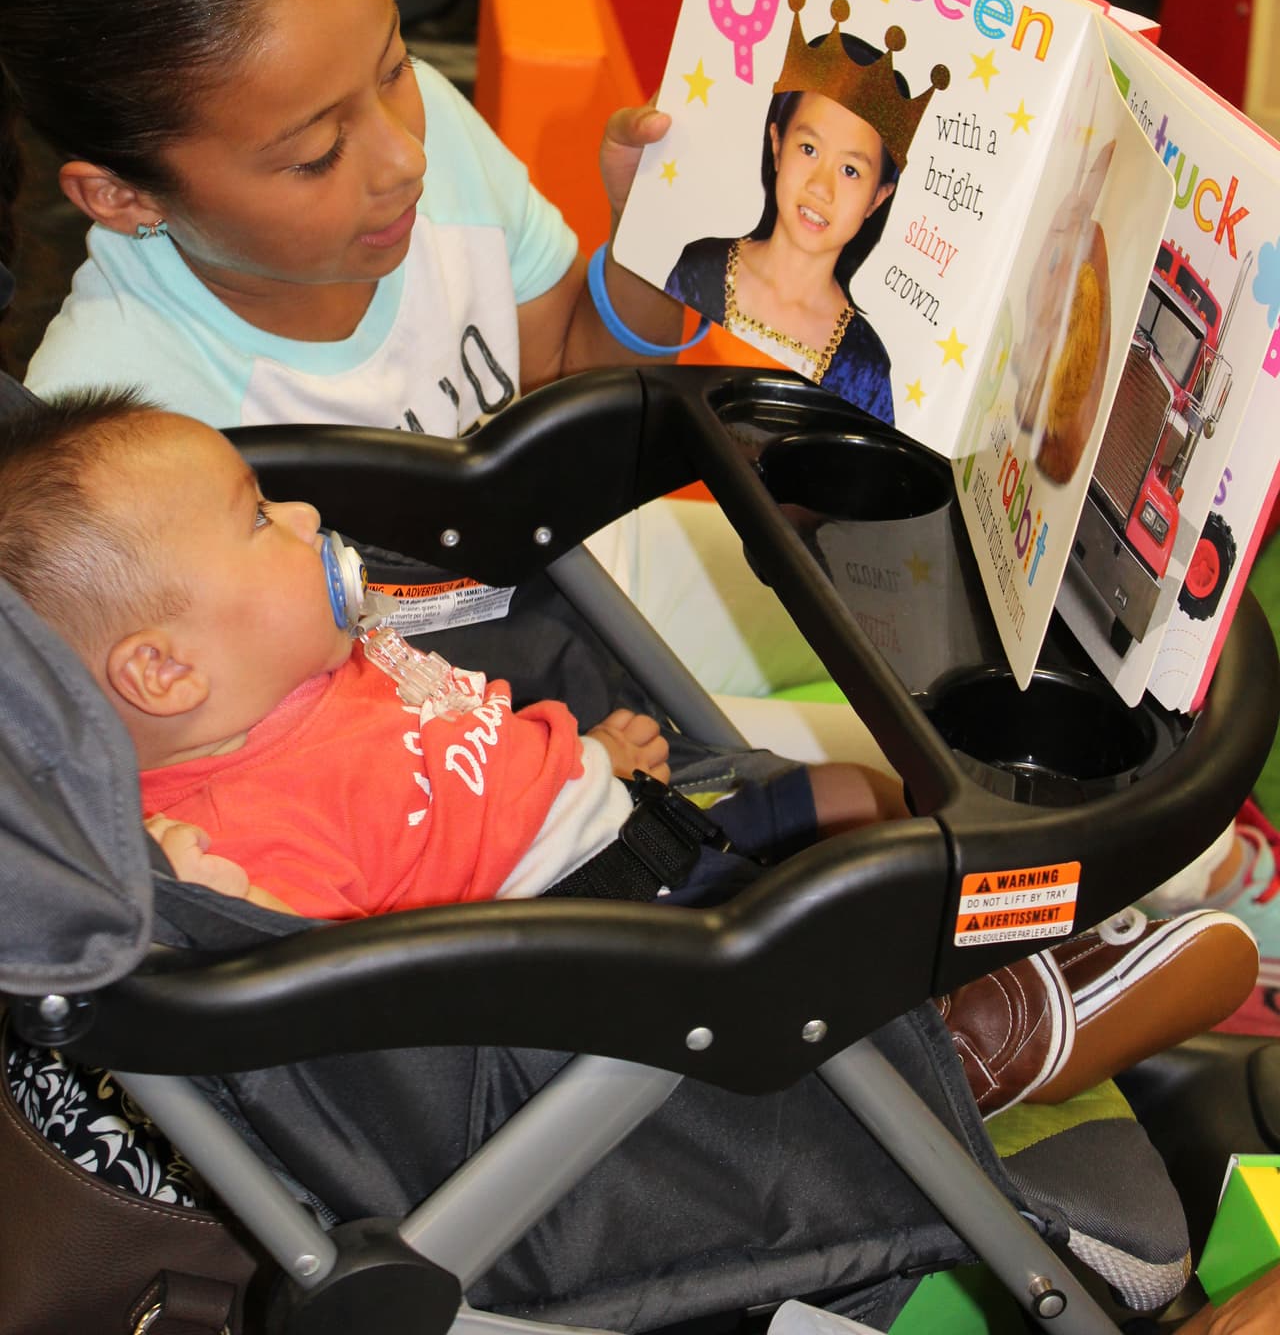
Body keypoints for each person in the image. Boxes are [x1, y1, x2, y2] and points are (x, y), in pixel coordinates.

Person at [0, 390, 1261, 1118]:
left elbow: (452, 749)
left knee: (859, 796)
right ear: (161, 672)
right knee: (889, 894)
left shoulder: (309, 660)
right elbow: (337, 1005)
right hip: (610, 952)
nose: (309, 514)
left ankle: (1081, 895)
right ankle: (954, 1046)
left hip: (622, 816)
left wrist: (579, 752)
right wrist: (242, 913)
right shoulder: (235, 836)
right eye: (258, 520)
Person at [0, 0, 845, 729]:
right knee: (917, 796)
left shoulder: (423, 128)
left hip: (570, 578)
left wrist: (651, 251)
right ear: (123, 197)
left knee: (902, 629)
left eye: (396, 65)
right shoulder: (105, 449)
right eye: (318, 153)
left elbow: (567, 377)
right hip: (479, 749)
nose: (404, 157)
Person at [664, 0, 949, 425]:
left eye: (851, 170)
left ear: (878, 198)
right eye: (809, 148)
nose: (821, 186)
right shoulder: (699, 268)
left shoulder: (865, 363)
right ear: (777, 144)